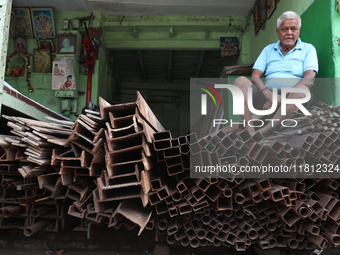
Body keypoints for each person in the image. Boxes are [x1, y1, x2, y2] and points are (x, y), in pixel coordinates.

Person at [233, 11, 318, 136]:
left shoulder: (308, 49)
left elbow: (309, 80)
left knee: (302, 91)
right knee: (240, 81)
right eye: (284, 29)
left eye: (293, 29)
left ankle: (264, 131)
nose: (289, 33)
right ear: (278, 32)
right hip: (266, 97)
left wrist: (281, 96)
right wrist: (267, 93)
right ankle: (249, 129)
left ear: (299, 30)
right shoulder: (268, 50)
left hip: (292, 98)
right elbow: (255, 76)